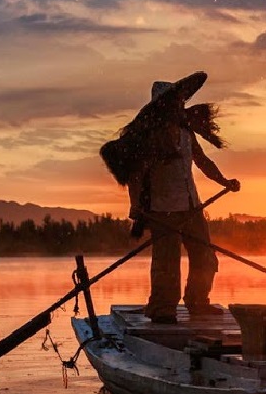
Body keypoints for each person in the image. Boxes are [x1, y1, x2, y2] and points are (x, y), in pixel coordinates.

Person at [100, 71, 241, 324]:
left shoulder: (187, 134)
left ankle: (198, 302)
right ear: (163, 107)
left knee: (205, 256)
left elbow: (203, 162)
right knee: (167, 262)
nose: (179, 106)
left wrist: (225, 182)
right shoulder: (152, 137)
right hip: (162, 208)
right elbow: (136, 173)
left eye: (180, 101)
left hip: (192, 205)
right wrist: (136, 205)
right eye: (174, 102)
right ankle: (162, 309)